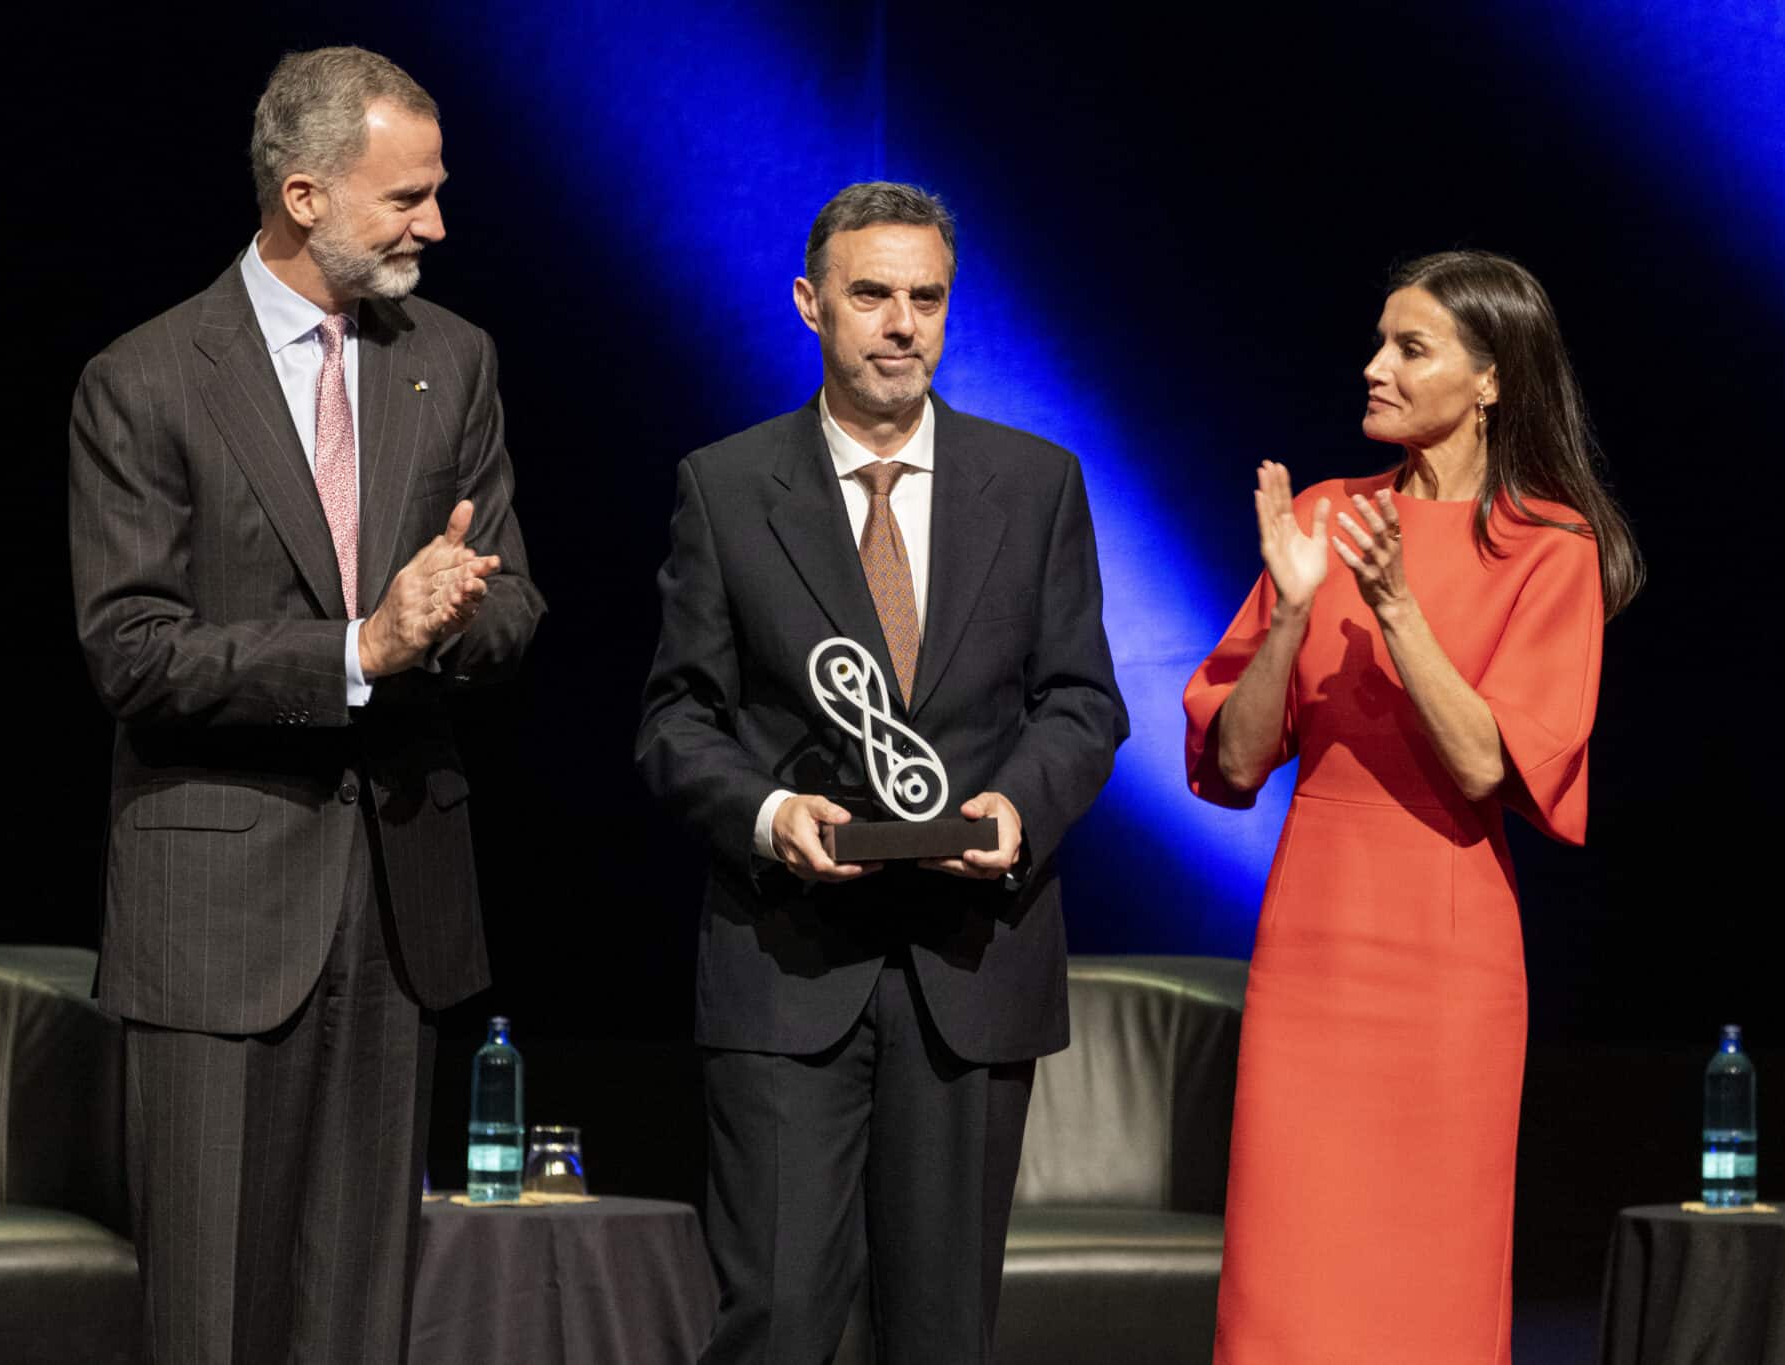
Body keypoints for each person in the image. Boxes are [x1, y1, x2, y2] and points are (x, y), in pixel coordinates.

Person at [67, 47, 545, 1365]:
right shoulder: (148, 379)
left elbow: (510, 601)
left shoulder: (450, 359)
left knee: (359, 1315)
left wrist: (447, 624)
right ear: (304, 195)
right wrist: (358, 647)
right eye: (405, 199)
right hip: (219, 912)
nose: (435, 225)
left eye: (436, 193)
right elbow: (134, 650)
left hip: (397, 901)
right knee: (214, 1313)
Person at [636, 181, 1128, 1365]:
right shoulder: (724, 486)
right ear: (811, 304)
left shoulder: (1035, 481)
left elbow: (1080, 700)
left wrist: (1014, 806)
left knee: (942, 1331)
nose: (901, 323)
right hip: (786, 963)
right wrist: (768, 813)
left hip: (970, 965)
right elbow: (674, 721)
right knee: (778, 1319)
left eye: (927, 298)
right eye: (871, 296)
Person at [1183, 249, 1642, 1362]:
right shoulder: (1326, 515)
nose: (1373, 366)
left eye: (1409, 347)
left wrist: (1394, 608)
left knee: (1423, 1280)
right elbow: (1234, 765)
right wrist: (1289, 615)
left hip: (1444, 957)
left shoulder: (1551, 546)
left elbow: (1487, 766)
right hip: (1310, 945)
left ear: (1489, 379)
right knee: (1285, 1275)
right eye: (1379, 341)